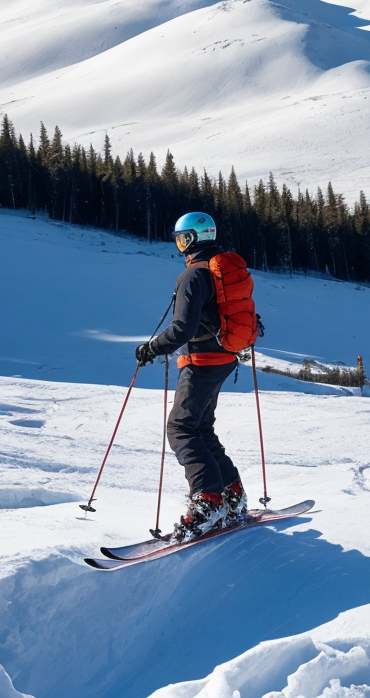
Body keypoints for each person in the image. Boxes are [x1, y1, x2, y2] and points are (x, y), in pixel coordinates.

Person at [136, 212, 245, 538]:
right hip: (225, 357)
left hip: (202, 362)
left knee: (181, 428)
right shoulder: (219, 271)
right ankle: (231, 494)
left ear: (190, 240)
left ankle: (208, 502)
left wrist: (153, 348)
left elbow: (182, 328)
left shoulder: (194, 275)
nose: (179, 245)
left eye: (181, 239)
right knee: (200, 428)